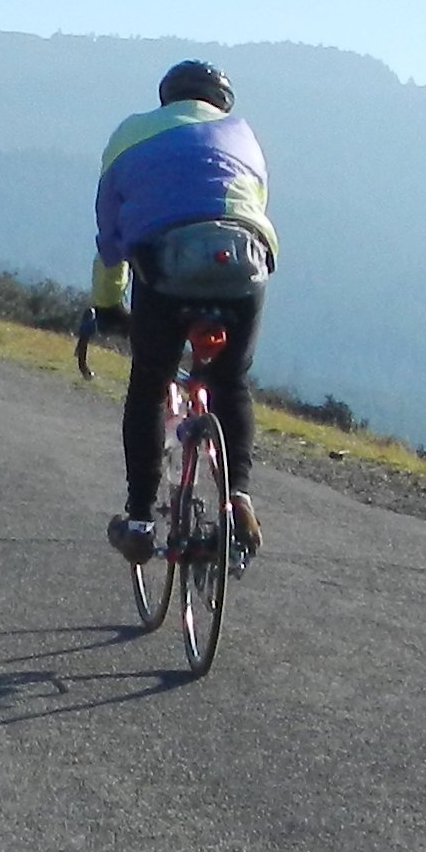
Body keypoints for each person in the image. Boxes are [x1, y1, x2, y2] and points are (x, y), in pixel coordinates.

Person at [87, 59, 275, 564]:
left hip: (166, 268)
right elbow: (251, 210)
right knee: (230, 381)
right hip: (245, 265)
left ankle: (140, 521)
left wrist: (107, 304)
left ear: (167, 97)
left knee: (150, 384)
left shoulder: (130, 134)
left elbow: (111, 238)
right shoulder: (245, 135)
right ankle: (239, 498)